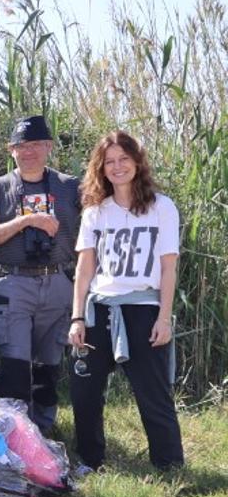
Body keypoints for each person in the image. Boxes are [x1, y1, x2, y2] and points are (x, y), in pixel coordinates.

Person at [68, 130, 183, 472]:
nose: (117, 167)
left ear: (137, 162)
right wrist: (77, 317)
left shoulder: (161, 208)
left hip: (143, 309)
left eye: (124, 159)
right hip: (99, 309)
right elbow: (85, 268)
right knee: (84, 392)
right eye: (110, 162)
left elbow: (168, 268)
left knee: (153, 393)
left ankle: (169, 465)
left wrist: (163, 318)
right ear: (101, 168)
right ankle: (90, 460)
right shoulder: (95, 212)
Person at [0, 115, 81, 434]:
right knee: (16, 365)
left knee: (49, 365)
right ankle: (15, 433)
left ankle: (44, 432)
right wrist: (25, 221)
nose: (29, 151)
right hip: (15, 281)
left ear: (48, 146)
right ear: (11, 150)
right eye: (22, 146)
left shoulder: (70, 186)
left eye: (36, 144)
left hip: (59, 280)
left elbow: (95, 227)